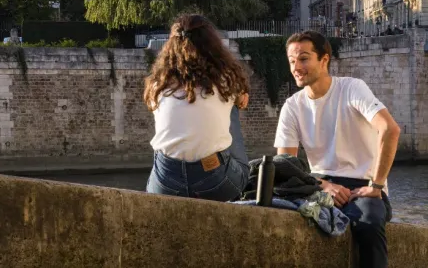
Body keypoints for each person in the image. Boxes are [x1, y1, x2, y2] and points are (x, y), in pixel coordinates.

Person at [275, 31, 400, 268]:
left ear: (324, 60)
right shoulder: (292, 106)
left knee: (369, 225)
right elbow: (285, 165)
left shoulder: (352, 88)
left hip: (362, 184)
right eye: (292, 61)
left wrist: (376, 185)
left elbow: (390, 129)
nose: (296, 67)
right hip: (318, 184)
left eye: (303, 59)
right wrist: (322, 185)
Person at [144, 14, 250, 201]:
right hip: (214, 181)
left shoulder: (157, 85)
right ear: (212, 45)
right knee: (231, 106)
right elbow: (242, 100)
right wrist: (238, 98)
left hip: (166, 182)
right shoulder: (226, 82)